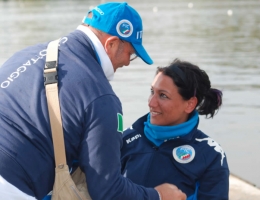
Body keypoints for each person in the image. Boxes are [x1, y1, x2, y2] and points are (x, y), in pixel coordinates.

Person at [0, 2, 187, 200]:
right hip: (11, 185)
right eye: (130, 54)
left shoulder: (25, 55)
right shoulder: (101, 97)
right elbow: (108, 191)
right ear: (111, 43)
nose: (126, 63)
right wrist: (158, 196)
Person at [121, 58, 230, 200]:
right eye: (152, 91)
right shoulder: (125, 139)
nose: (151, 102)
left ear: (190, 104)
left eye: (163, 95)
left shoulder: (211, 155)